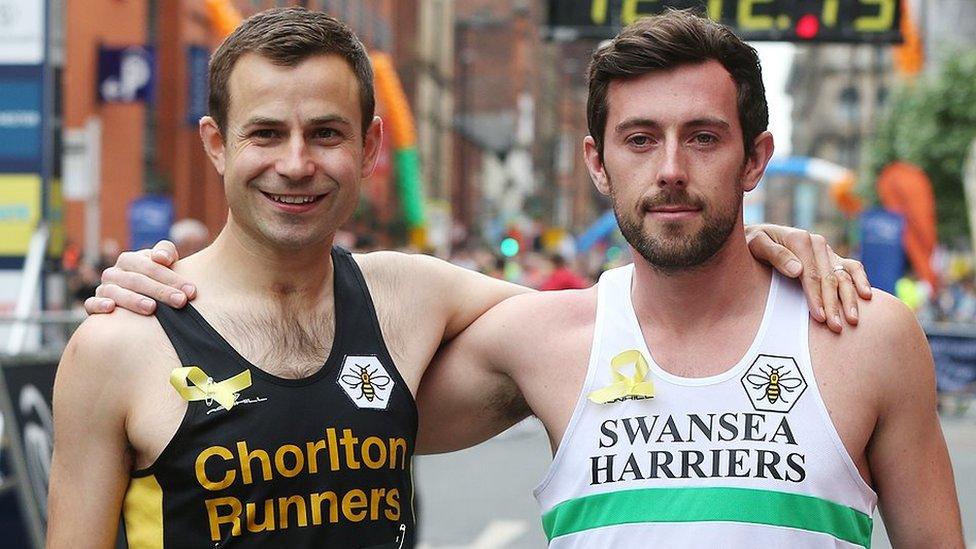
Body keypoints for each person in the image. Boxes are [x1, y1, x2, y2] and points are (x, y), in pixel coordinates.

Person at [70, 7, 874, 547]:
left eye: (325, 132)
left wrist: (762, 239)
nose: (296, 163)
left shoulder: (409, 296)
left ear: (370, 146)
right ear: (215, 143)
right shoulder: (122, 343)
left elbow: (636, 311)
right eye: (265, 133)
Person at [414, 11, 963, 547]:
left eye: (702, 138)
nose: (671, 169)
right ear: (598, 164)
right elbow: (351, 400)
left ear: (754, 159)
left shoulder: (868, 336)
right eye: (640, 140)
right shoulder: (540, 338)